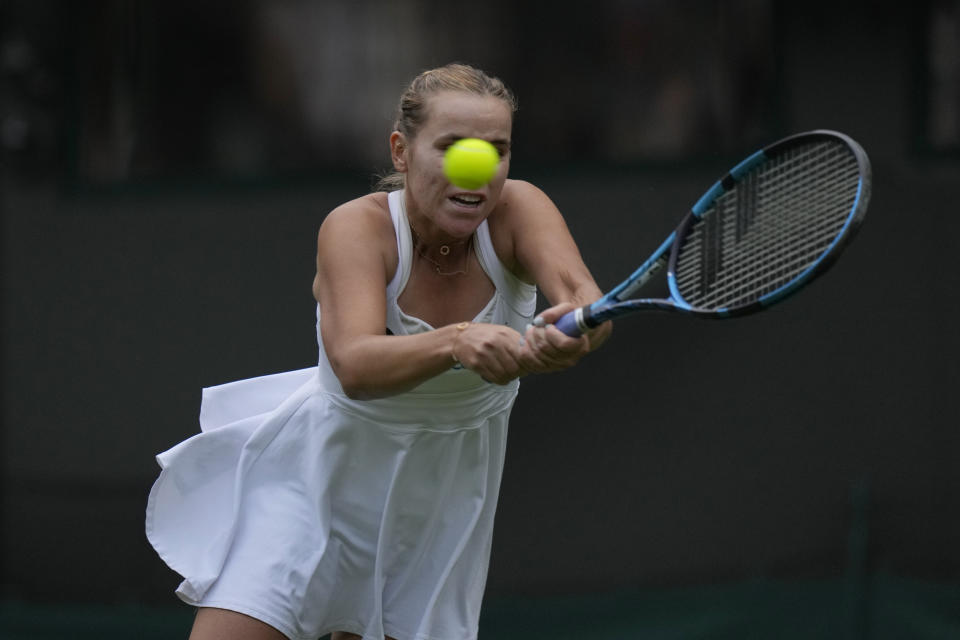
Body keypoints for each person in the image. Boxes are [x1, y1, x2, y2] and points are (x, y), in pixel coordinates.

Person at [146, 62, 611, 640]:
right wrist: (459, 340)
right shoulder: (356, 228)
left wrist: (574, 333)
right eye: (453, 147)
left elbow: (585, 304)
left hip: (443, 503)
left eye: (497, 149)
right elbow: (355, 366)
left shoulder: (519, 210)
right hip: (319, 482)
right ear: (401, 151)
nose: (480, 168)